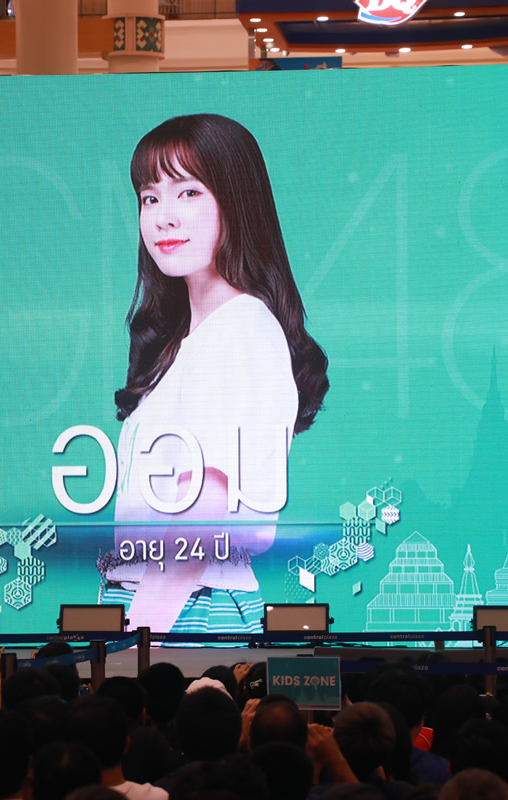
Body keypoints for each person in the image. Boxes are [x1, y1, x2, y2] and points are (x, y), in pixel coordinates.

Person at [102, 113, 329, 634]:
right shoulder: (190, 340)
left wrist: (135, 643)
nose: (164, 218)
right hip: (166, 603)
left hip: (183, 609)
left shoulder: (239, 329)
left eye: (189, 193)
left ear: (236, 201)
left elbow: (204, 515)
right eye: (150, 198)